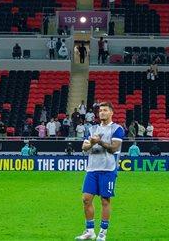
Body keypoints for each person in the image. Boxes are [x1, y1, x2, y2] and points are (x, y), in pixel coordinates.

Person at [75, 102, 124, 241]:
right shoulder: (92, 129)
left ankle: (103, 232)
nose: (101, 112)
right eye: (100, 110)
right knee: (86, 199)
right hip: (92, 169)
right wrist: (92, 142)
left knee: (105, 201)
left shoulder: (117, 129)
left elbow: (114, 148)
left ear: (111, 113)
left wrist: (99, 142)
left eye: (105, 110)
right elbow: (84, 147)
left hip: (108, 169)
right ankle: (90, 231)